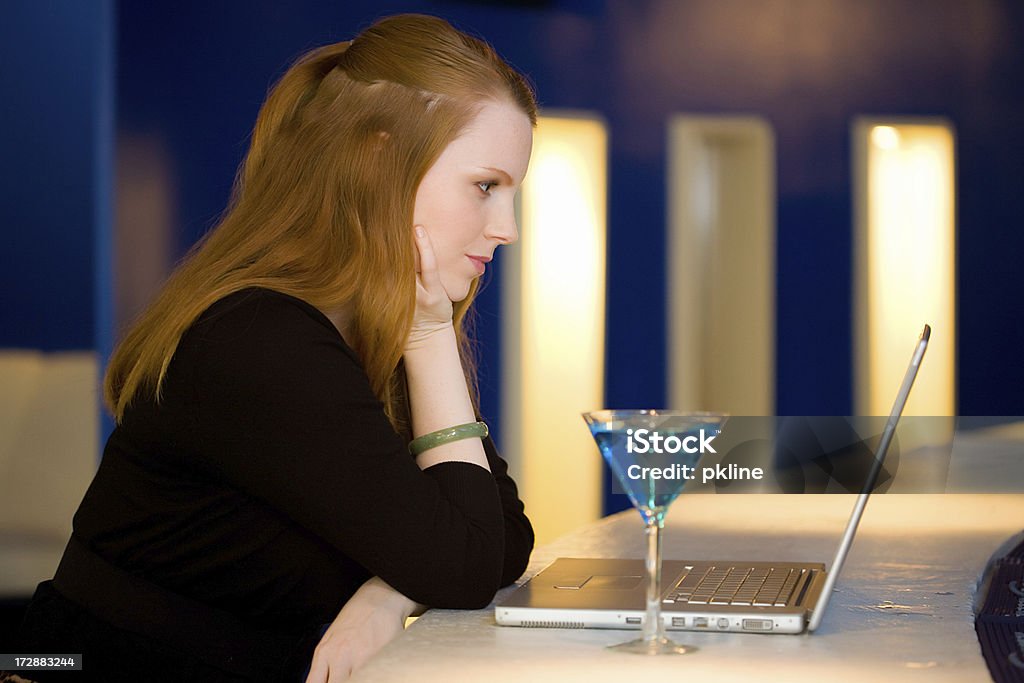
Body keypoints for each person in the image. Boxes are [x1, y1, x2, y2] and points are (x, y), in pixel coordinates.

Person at [18, 13, 536, 682]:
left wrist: (387, 592)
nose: (508, 229)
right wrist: (432, 336)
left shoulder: (355, 329)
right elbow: (467, 556)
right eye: (486, 186)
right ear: (378, 156)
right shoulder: (261, 339)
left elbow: (501, 537)